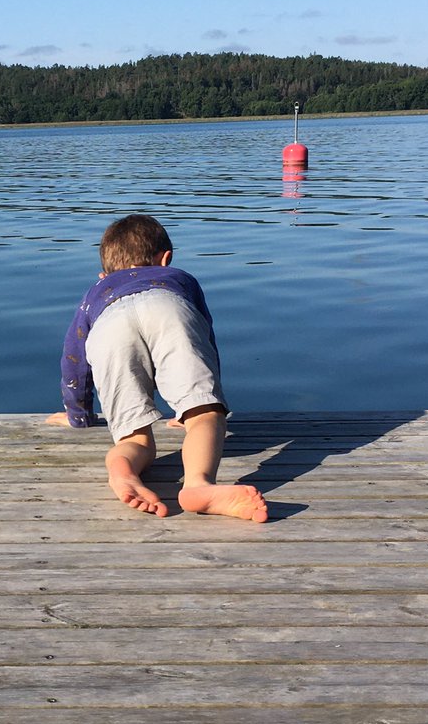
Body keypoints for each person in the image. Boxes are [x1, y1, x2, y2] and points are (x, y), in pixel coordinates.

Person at [47, 214, 267, 522]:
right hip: (168, 308)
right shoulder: (179, 278)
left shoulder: (95, 294)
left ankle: (123, 471)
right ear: (166, 259)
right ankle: (199, 485)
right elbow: (203, 339)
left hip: (109, 326)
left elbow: (74, 358)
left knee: (134, 439)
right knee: (205, 417)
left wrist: (79, 415)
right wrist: (194, 406)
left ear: (103, 274)